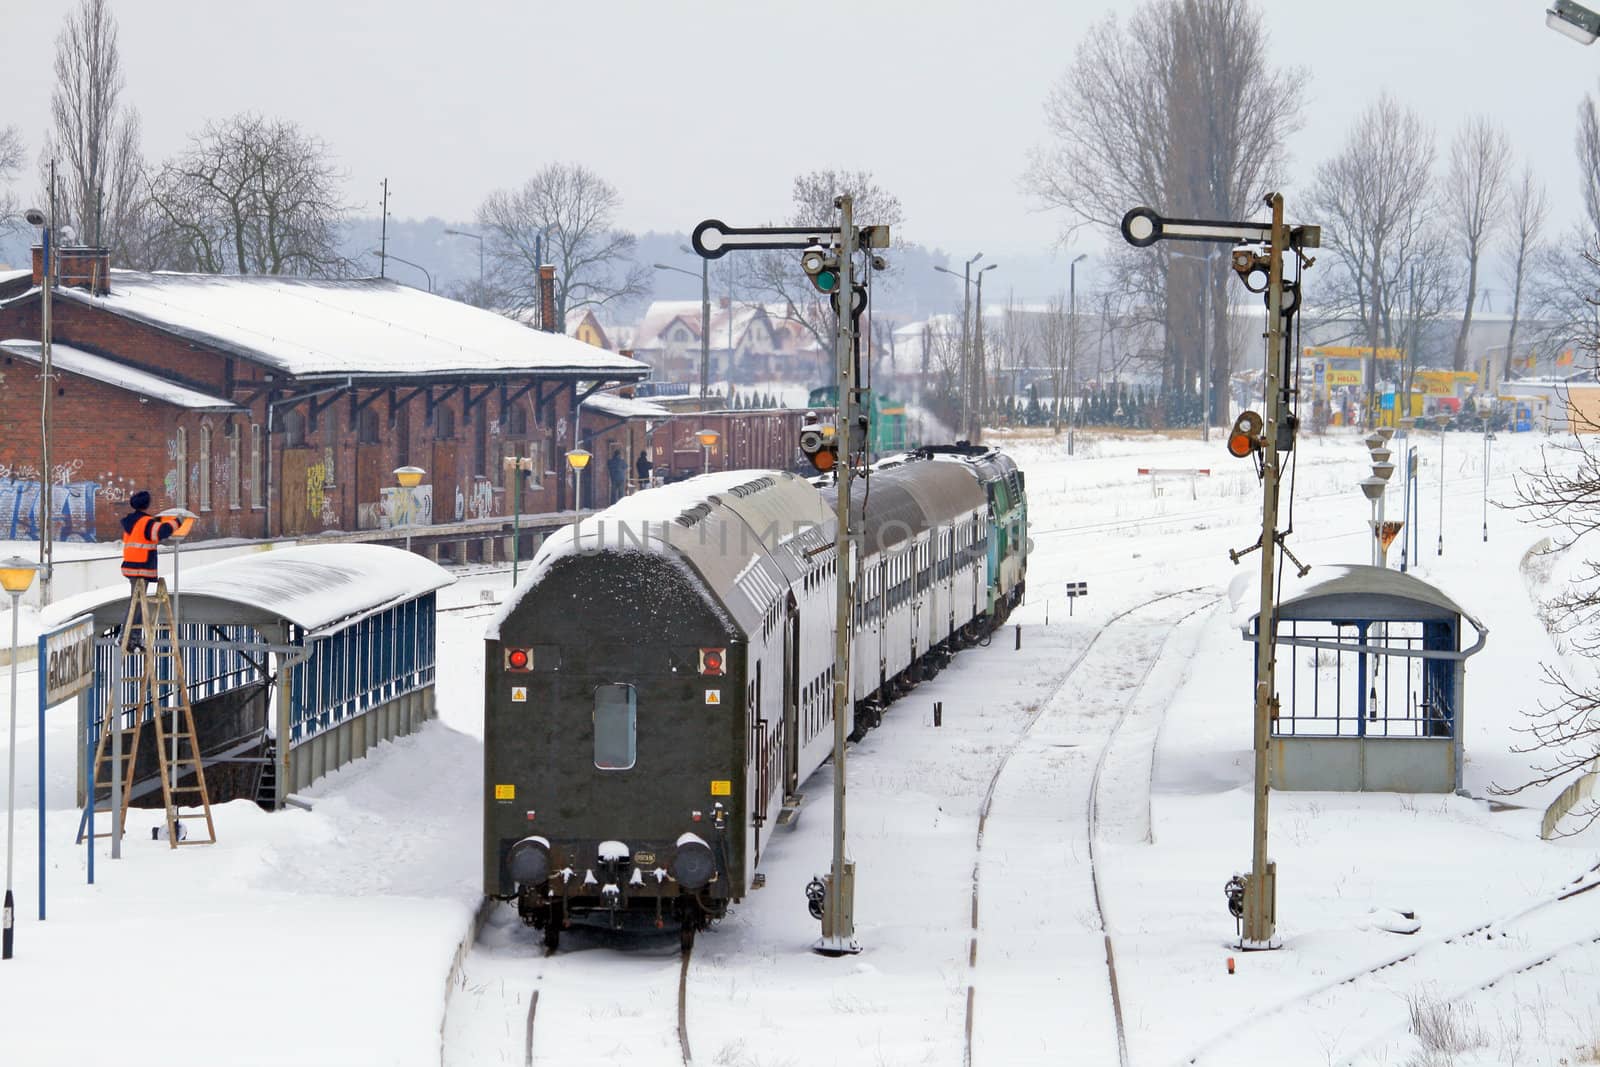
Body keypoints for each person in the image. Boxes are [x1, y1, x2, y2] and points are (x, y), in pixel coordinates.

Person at [121, 490, 177, 650]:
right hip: (142, 567)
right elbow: (162, 532)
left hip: (130, 566)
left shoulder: (130, 522)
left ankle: (133, 638)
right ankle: (127, 638)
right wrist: (177, 522)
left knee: (137, 603)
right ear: (147, 504)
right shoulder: (147, 522)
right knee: (137, 604)